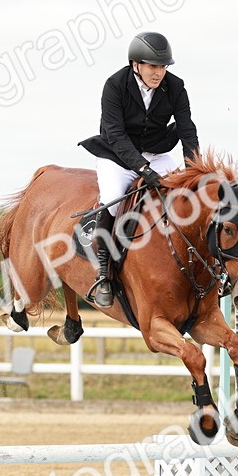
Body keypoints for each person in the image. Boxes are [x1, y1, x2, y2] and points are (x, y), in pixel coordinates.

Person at [78, 31, 200, 308]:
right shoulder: (115, 85)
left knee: (182, 197)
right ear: (136, 65)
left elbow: (186, 129)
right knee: (111, 201)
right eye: (153, 66)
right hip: (117, 155)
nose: (159, 73)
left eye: (163, 66)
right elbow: (115, 134)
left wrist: (195, 168)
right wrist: (142, 169)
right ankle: (104, 273)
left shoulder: (176, 87)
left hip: (157, 154)